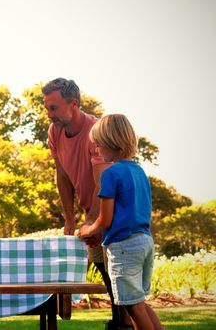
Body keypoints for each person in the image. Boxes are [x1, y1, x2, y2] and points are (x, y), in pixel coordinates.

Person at [42, 78, 132, 329]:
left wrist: (94, 221)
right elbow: (62, 176)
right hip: (91, 211)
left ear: (74, 104)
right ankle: (119, 322)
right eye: (47, 107)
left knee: (118, 274)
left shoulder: (95, 132)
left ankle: (124, 324)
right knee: (105, 269)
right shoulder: (55, 132)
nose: (49, 114)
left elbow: (102, 182)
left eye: (54, 108)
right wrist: (70, 219)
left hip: (113, 210)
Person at [78, 114, 163, 330]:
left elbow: (105, 219)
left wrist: (88, 229)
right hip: (144, 242)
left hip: (124, 247)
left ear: (110, 142)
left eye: (97, 143)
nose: (95, 148)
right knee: (138, 302)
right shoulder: (139, 172)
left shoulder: (110, 173)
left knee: (132, 306)